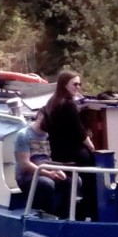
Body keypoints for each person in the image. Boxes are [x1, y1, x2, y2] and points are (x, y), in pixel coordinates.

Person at [41, 70, 97, 219]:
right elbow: (79, 131)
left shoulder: (51, 103)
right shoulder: (69, 105)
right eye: (75, 84)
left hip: (57, 152)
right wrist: (92, 146)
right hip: (72, 153)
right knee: (93, 166)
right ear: (64, 85)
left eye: (79, 84)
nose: (78, 87)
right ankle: (91, 211)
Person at [14, 114, 71, 217]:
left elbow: (47, 159)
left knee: (73, 181)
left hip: (45, 171)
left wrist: (57, 170)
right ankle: (46, 218)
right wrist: (49, 174)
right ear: (40, 115)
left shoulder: (47, 135)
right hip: (26, 176)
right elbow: (25, 164)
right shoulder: (23, 135)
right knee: (47, 184)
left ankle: (64, 217)